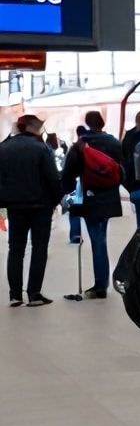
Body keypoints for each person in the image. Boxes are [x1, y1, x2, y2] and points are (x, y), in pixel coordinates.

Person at [0, 115, 63, 307]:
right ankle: (34, 294)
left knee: (15, 249)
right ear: (33, 128)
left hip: (14, 206)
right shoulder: (42, 148)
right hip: (40, 206)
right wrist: (55, 201)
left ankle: (15, 295)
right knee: (39, 249)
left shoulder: (4, 148)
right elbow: (53, 178)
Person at [60, 110, 124, 298]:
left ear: (87, 123)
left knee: (97, 240)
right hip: (109, 196)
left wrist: (67, 193)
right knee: (100, 238)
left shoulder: (81, 144)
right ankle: (102, 283)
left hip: (89, 197)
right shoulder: (114, 143)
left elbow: (68, 172)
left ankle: (100, 285)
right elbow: (122, 171)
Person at [64, 125, 84, 245]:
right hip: (90, 184)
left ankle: (75, 235)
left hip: (75, 185)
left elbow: (67, 170)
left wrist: (65, 187)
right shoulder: (91, 148)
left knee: (74, 210)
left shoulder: (74, 149)